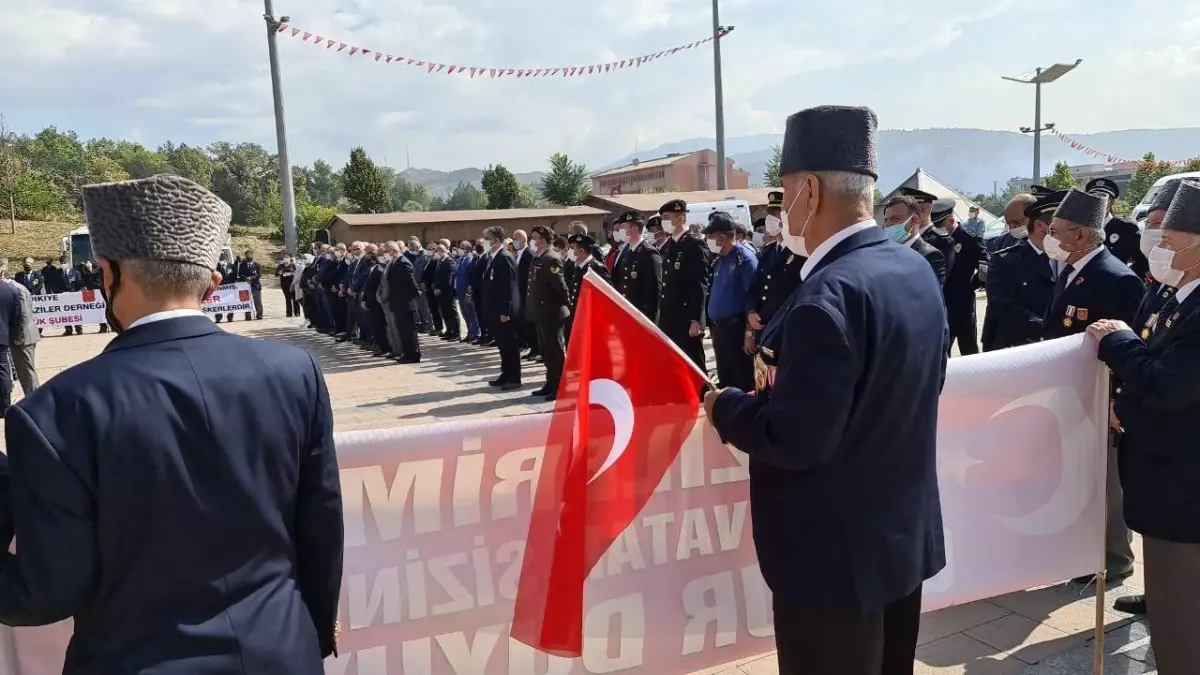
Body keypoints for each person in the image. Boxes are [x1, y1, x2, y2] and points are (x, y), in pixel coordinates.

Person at [0, 175, 343, 672]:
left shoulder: (54, 412)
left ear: (106, 274)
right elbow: (321, 529)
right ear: (212, 283)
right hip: (282, 651)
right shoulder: (295, 373)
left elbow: (47, 592)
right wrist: (307, 635)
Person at [705, 105, 947, 675]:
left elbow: (795, 439)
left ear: (808, 191)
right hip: (895, 540)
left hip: (830, 560)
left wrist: (726, 407)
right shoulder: (911, 271)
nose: (780, 210)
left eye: (784, 190)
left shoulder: (824, 301)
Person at [1087, 177, 1200, 673]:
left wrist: (1118, 341)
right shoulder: (1180, 295)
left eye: (1171, 242)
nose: (1160, 251)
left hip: (1184, 491)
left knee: (1181, 624)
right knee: (1171, 609)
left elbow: (1171, 385)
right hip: (1165, 480)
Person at [1038, 188, 1145, 588]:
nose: (1050, 236)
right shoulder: (1069, 269)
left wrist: (1117, 401)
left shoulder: (1116, 279)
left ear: (1081, 235)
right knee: (1081, 478)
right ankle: (1086, 551)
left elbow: (1128, 345)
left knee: (1105, 484)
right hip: (1071, 393)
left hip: (1100, 398)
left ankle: (1114, 559)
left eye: (1057, 229)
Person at [981, 192, 1059, 351]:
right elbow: (1004, 306)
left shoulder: (1065, 257)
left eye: (1017, 222)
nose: (1013, 228)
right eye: (1009, 223)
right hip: (1019, 346)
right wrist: (1047, 329)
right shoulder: (1004, 259)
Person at [704, 211, 758, 391]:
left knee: (742, 381)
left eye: (710, 236)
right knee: (726, 382)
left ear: (721, 237)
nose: (708, 240)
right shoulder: (719, 261)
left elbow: (754, 298)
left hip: (737, 331)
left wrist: (749, 334)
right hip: (720, 331)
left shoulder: (744, 259)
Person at [657, 198, 710, 374]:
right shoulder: (670, 245)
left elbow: (699, 284)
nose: (663, 222)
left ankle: (704, 397)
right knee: (675, 362)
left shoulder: (693, 244)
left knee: (693, 361)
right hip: (669, 316)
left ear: (680, 218)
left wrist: (697, 320)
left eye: (667, 217)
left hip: (686, 316)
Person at [747, 192, 805, 347]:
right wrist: (751, 312)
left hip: (784, 331)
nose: (771, 219)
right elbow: (755, 287)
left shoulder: (800, 252)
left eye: (777, 214)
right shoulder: (767, 251)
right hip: (763, 328)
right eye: (770, 214)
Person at [525, 226, 570, 400]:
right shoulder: (539, 258)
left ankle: (560, 387)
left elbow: (561, 288)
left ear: (542, 240)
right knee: (546, 351)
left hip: (552, 314)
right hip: (540, 313)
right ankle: (550, 383)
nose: (532, 240)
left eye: (534, 237)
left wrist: (566, 307)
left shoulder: (551, 258)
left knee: (555, 352)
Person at [938, 202, 986, 355]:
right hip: (942, 302)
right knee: (942, 350)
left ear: (951, 221)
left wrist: (971, 286)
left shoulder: (968, 238)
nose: (937, 227)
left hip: (963, 302)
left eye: (940, 224)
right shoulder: (936, 239)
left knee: (969, 348)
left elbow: (985, 263)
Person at [482, 226, 522, 390]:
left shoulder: (504, 258)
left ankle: (514, 378)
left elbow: (508, 288)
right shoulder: (493, 257)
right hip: (495, 309)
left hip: (504, 312)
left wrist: (506, 311)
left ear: (496, 240)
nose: (485, 242)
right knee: (502, 344)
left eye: (487, 238)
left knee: (510, 345)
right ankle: (505, 373)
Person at [1088, 177, 1148, 282]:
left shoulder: (1125, 228)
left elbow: (1142, 263)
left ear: (1111, 202)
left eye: (1104, 198)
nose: (1098, 201)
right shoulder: (1080, 227)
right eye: (1094, 198)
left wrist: (1123, 277)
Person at [881, 195, 946, 286]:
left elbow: (928, 296)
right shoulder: (883, 251)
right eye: (885, 220)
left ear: (914, 220)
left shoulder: (930, 256)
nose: (887, 224)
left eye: (894, 219)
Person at [613, 212, 662, 321]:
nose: (619, 232)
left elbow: (654, 291)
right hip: (629, 313)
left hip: (643, 315)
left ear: (634, 230)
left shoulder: (648, 253)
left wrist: (650, 320)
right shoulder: (628, 252)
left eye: (622, 228)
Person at [1, 259, 40, 396]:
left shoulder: (15, 289)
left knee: (26, 371)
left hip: (24, 337)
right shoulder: (17, 287)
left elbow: (23, 314)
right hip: (24, 335)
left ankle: (34, 399)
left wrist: (19, 336)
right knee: (24, 370)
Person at [564, 233, 610, 343]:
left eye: (572, 248)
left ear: (582, 251)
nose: (570, 251)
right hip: (579, 315)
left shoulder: (595, 268)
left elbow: (606, 294)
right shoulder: (577, 267)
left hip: (591, 318)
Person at [383, 241, 421, 363]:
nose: (386, 254)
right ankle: (406, 352)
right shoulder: (393, 262)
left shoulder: (404, 262)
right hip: (397, 302)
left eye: (387, 251)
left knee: (409, 331)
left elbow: (410, 281)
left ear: (393, 250)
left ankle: (413, 354)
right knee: (402, 330)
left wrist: (416, 292)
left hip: (405, 302)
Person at [360, 248, 390, 357]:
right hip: (371, 303)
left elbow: (378, 288)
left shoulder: (379, 270)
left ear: (374, 260)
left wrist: (369, 300)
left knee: (380, 326)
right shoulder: (372, 270)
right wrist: (364, 299)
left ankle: (386, 347)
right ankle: (381, 346)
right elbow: (368, 287)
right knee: (376, 327)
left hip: (376, 303)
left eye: (368, 259)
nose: (366, 262)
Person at [0, 264, 21, 414]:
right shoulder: (10, 290)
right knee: (3, 370)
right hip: (3, 336)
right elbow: (16, 317)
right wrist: (14, 336)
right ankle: (4, 404)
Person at [433, 244, 461, 341]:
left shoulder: (450, 261)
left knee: (452, 312)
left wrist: (441, 288)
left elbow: (449, 278)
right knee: (444, 312)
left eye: (440, 250)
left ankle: (456, 332)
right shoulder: (440, 261)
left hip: (448, 292)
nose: (438, 252)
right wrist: (435, 286)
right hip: (440, 292)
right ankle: (449, 330)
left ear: (445, 250)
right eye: (437, 250)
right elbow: (438, 276)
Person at [455, 241, 479, 343]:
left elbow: (471, 276)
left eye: (462, 247)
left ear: (468, 249)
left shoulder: (471, 260)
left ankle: (476, 333)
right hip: (459, 290)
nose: (459, 249)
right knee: (464, 313)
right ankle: (469, 333)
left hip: (466, 290)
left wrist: (469, 290)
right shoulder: (460, 260)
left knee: (471, 313)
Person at [468, 240, 492, 346]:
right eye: (477, 244)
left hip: (483, 290)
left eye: (480, 245)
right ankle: (483, 335)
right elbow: (472, 273)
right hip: (476, 290)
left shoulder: (487, 257)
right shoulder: (476, 258)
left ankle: (488, 335)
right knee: (479, 313)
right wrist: (470, 285)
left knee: (485, 314)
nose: (478, 247)